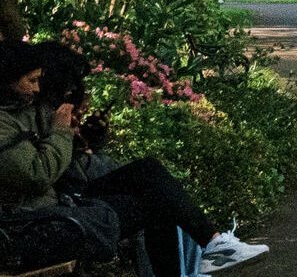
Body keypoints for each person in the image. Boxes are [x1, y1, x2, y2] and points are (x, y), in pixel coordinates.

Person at [1, 40, 269, 275]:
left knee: (153, 189)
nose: (36, 90)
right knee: (150, 180)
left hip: (56, 206)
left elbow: (59, 162)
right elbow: (38, 174)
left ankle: (213, 243)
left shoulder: (26, 110)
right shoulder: (11, 118)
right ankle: (213, 243)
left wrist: (85, 138)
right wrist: (61, 131)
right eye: (31, 80)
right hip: (30, 223)